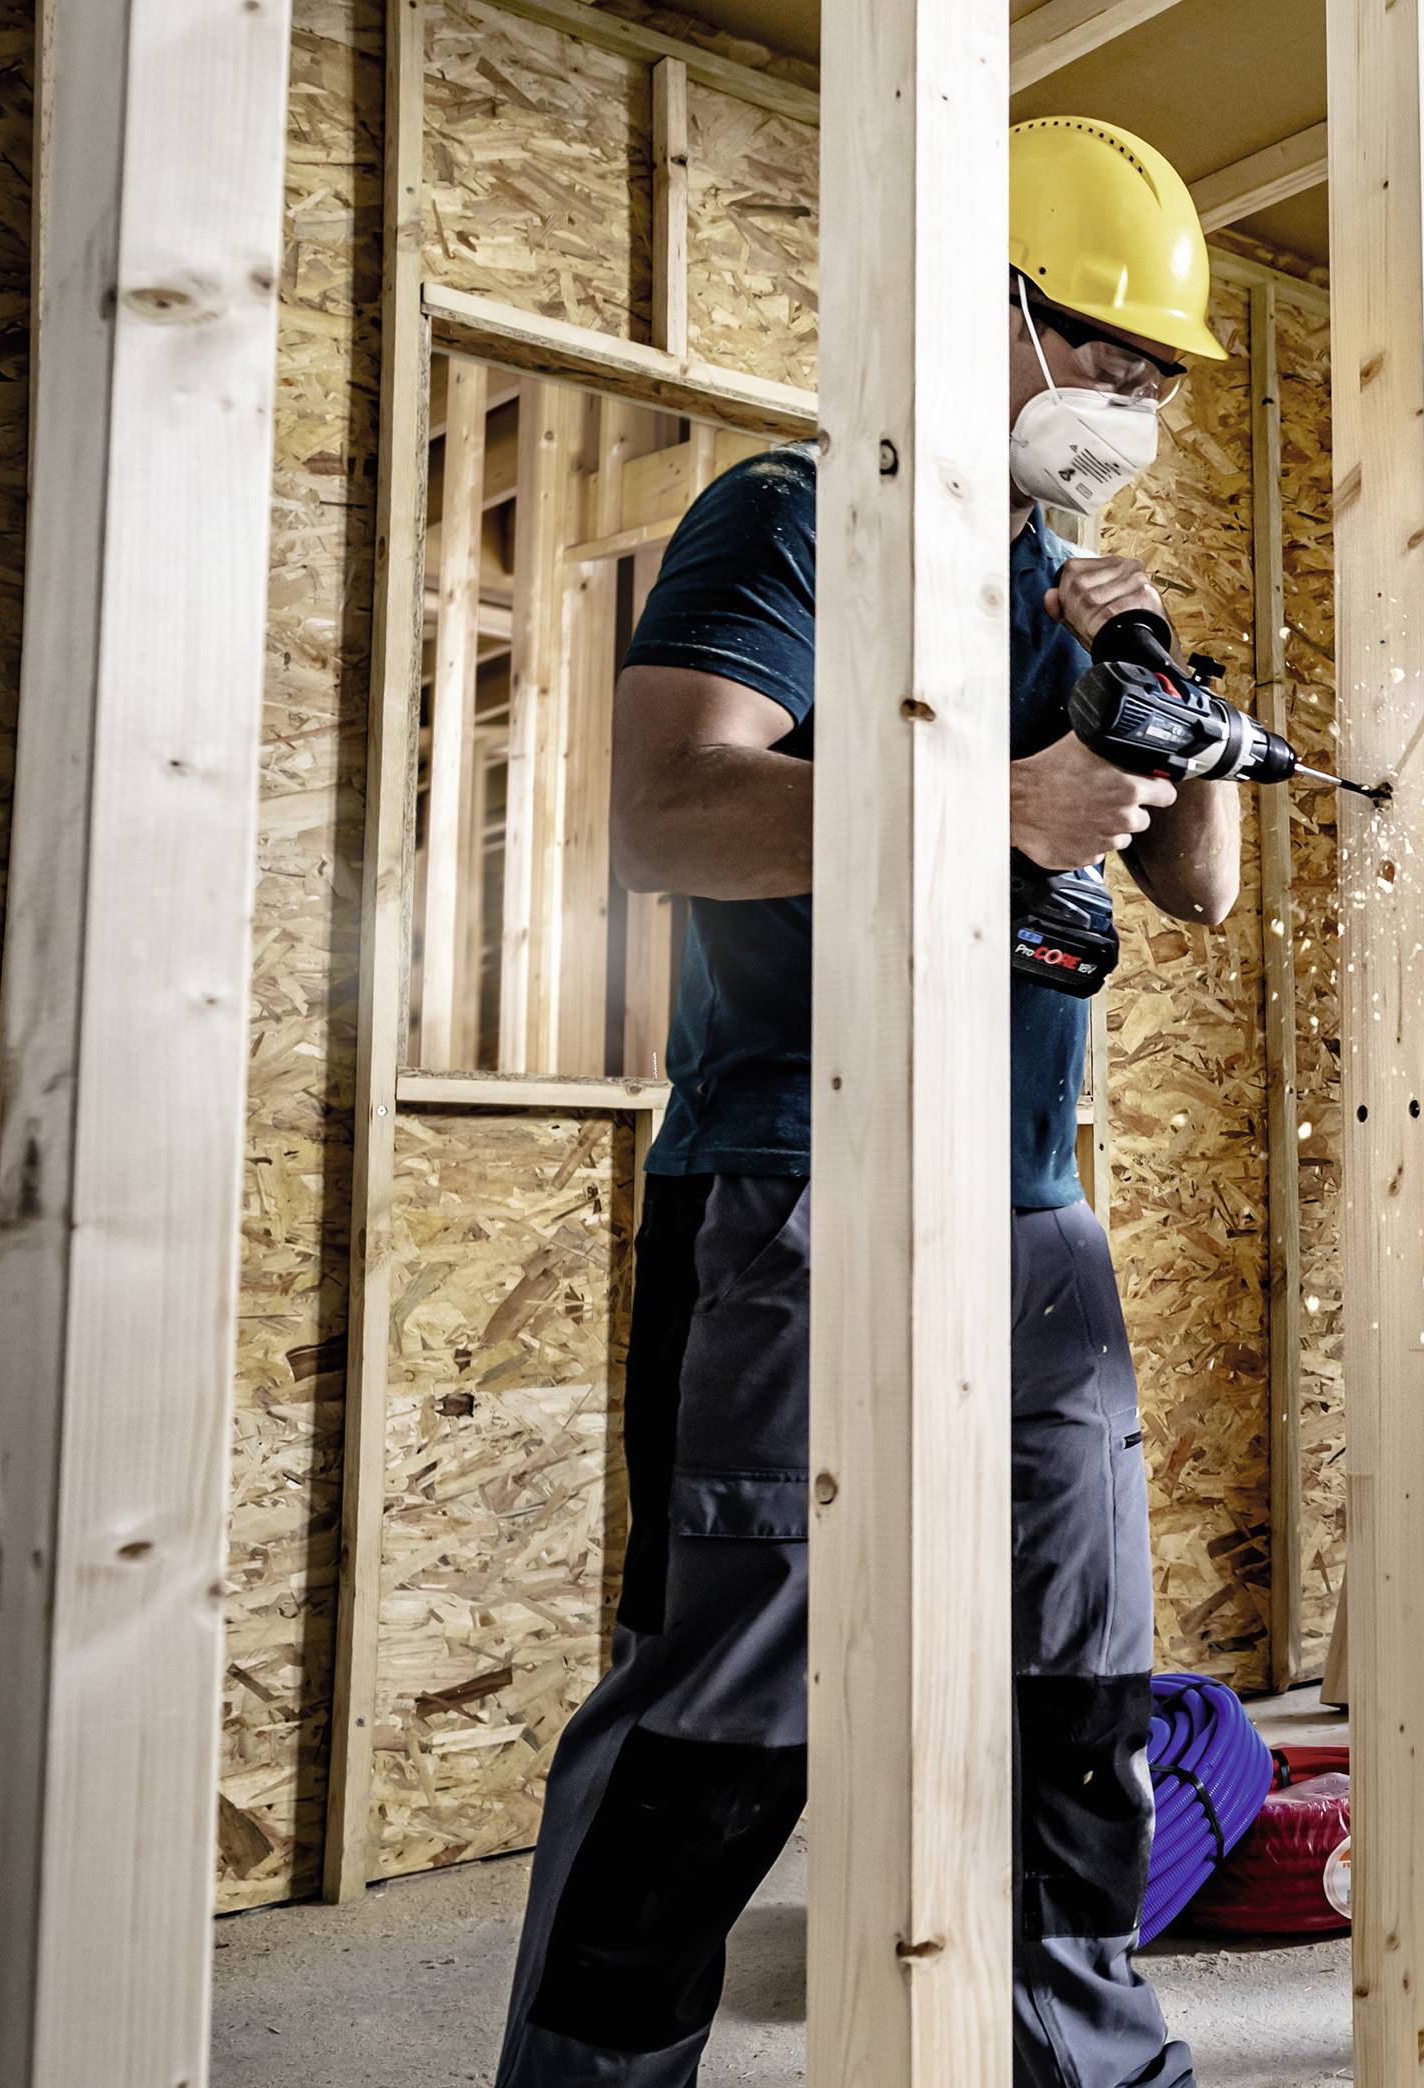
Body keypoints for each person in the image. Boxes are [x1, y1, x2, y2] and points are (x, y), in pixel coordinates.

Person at [492, 116, 1235, 2088]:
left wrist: (1163, 705)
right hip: (795, 1194)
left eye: (1158, 378)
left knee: (1074, 1695)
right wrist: (991, 805)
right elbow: (664, 819)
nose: (1133, 406)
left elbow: (1196, 888)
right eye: (1105, 357)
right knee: (734, 1714)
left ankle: (1089, 2069)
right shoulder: (798, 518)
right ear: (983, 315)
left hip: (1026, 1206)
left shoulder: (1059, 592)